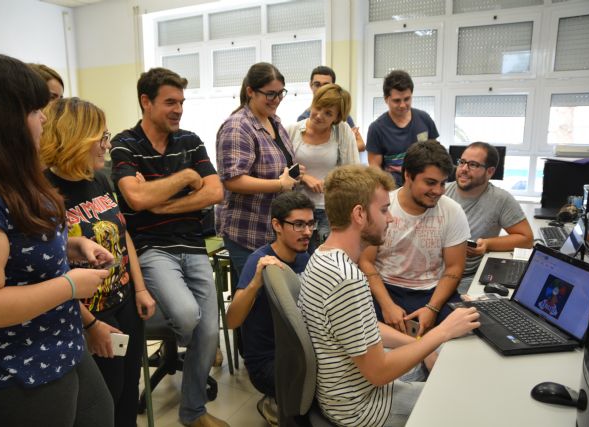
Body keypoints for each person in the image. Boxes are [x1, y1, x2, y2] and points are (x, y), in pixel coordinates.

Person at [0, 51, 114, 427]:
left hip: (60, 345)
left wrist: (72, 246)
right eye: (34, 110)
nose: (44, 118)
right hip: (13, 372)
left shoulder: (12, 177)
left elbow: (16, 247)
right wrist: (70, 286)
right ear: (0, 118)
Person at [299, 164, 480, 427]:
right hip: (361, 407)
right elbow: (379, 373)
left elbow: (366, 327)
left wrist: (421, 343)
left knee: (444, 354)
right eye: (384, 210)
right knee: (462, 402)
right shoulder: (347, 279)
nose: (391, 218)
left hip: (346, 390)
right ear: (359, 214)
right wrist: (442, 332)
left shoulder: (323, 256)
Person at [110, 68, 226, 427]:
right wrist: (187, 178)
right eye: (170, 102)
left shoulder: (190, 141)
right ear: (146, 101)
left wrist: (160, 203)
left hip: (193, 244)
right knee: (189, 317)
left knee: (210, 331)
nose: (178, 110)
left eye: (181, 102)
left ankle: (193, 412)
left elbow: (215, 191)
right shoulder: (125, 143)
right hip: (152, 248)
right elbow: (136, 197)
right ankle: (150, 326)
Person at [40, 97, 157, 427]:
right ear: (76, 138)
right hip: (88, 313)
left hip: (124, 302)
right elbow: (48, 271)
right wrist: (90, 324)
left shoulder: (101, 179)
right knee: (106, 398)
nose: (107, 145)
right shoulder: (44, 192)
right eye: (101, 137)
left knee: (128, 392)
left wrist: (140, 289)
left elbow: (123, 234)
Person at [359, 141, 470, 336]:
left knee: (468, 327)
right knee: (361, 324)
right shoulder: (383, 206)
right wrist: (387, 305)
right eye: (430, 182)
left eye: (443, 183)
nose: (438, 190)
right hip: (385, 288)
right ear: (408, 176)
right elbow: (366, 261)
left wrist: (432, 308)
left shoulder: (452, 211)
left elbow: (454, 268)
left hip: (433, 292)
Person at [225, 191, 314, 425]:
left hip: (297, 350)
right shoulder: (259, 260)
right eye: (298, 224)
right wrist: (256, 282)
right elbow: (231, 321)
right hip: (267, 362)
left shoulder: (304, 257)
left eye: (310, 224)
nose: (307, 232)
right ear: (277, 225)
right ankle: (276, 402)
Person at [216, 62, 301, 276]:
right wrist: (280, 184)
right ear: (250, 91)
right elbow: (233, 180)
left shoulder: (274, 122)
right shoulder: (237, 126)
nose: (277, 100)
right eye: (270, 94)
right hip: (248, 232)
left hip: (272, 231)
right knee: (254, 292)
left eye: (280, 93)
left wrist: (293, 174)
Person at [445, 142, 534, 294]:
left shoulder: (500, 199)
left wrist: (487, 243)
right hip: (434, 275)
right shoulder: (441, 192)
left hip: (469, 277)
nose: (463, 169)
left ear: (490, 171)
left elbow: (526, 239)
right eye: (462, 162)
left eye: (473, 165)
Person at [287, 83, 360, 251]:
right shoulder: (292, 130)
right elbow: (281, 170)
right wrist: (303, 177)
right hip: (297, 208)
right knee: (300, 259)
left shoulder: (342, 131)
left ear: (337, 117)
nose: (319, 115)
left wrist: (332, 183)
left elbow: (354, 173)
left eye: (328, 113)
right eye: (318, 107)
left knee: (326, 258)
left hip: (329, 210)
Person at [367, 70, 439, 187]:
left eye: (407, 99)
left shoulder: (424, 119)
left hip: (423, 185)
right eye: (397, 100)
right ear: (386, 99)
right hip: (393, 189)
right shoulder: (376, 128)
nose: (402, 105)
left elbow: (436, 154)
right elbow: (375, 170)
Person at [297, 65, 365, 152]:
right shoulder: (303, 119)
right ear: (311, 85)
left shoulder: (342, 115)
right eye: (317, 84)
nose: (322, 89)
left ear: (333, 86)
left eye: (326, 85)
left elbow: (361, 145)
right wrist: (344, 145)